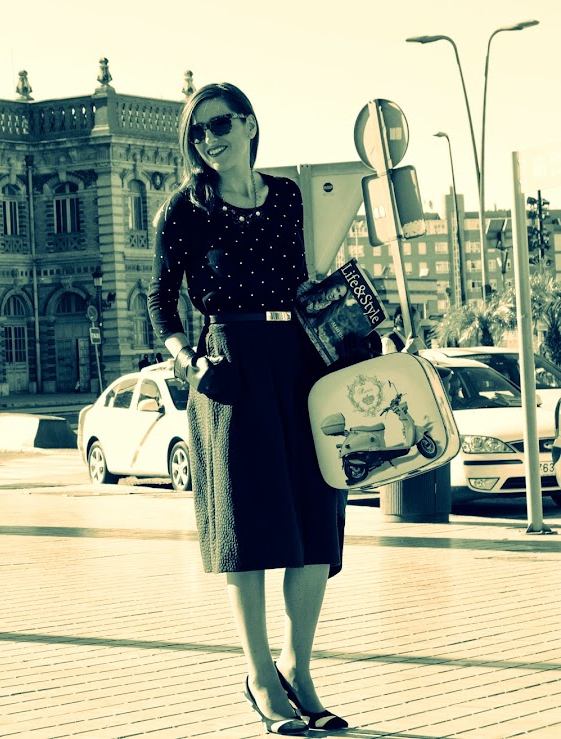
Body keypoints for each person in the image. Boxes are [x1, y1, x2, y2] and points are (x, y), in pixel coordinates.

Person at [148, 82, 348, 735]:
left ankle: (298, 668)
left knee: (315, 524)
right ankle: (260, 676)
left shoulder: (289, 197)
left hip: (301, 364)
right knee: (249, 530)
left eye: (220, 124)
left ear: (250, 123)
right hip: (230, 370)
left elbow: (317, 277)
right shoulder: (183, 211)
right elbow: (160, 302)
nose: (209, 138)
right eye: (198, 131)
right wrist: (190, 362)